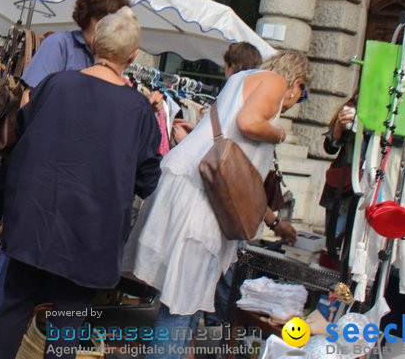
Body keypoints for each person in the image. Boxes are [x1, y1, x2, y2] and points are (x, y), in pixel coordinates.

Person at [0, 0, 131, 359]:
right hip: (43, 172)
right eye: (111, 20)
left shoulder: (106, 61)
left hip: (73, 182)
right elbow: (29, 106)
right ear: (95, 19)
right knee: (14, 259)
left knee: (36, 275)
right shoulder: (61, 46)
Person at [0, 8, 162, 359]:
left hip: (36, 217)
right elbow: (148, 180)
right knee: (67, 324)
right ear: (132, 57)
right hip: (90, 232)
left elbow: (23, 130)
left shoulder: (56, 84)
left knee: (15, 307)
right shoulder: (138, 110)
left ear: (95, 42)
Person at [123, 49, 311, 353]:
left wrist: (274, 222)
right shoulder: (276, 82)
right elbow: (249, 123)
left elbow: (240, 185)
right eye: (301, 96)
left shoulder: (240, 79)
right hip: (203, 205)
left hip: (194, 192)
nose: (294, 105)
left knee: (186, 304)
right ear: (296, 82)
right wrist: (280, 135)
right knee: (182, 305)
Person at [321, 95, 360, 268]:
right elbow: (329, 147)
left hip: (368, 187)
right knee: (333, 245)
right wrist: (338, 129)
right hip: (343, 189)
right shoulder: (351, 106)